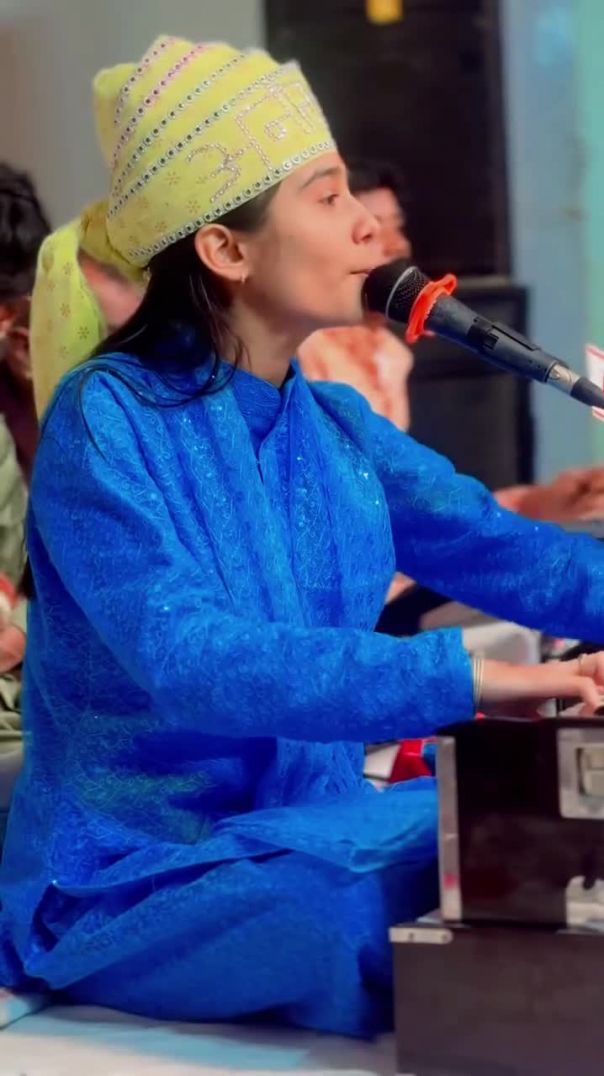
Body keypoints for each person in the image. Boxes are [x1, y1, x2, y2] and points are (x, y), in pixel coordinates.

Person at [2, 37, 604, 1038]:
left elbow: (512, 553)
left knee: (528, 836)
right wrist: (471, 675)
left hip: (318, 829)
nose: (367, 224)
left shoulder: (334, 425)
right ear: (225, 250)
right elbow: (195, 659)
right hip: (133, 876)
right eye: (327, 197)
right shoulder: (105, 421)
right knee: (348, 904)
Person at [300, 159, 604, 527]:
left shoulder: (390, 356)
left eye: (398, 227)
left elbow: (409, 514)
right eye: (373, 230)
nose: (399, 245)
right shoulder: (300, 353)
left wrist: (538, 504)